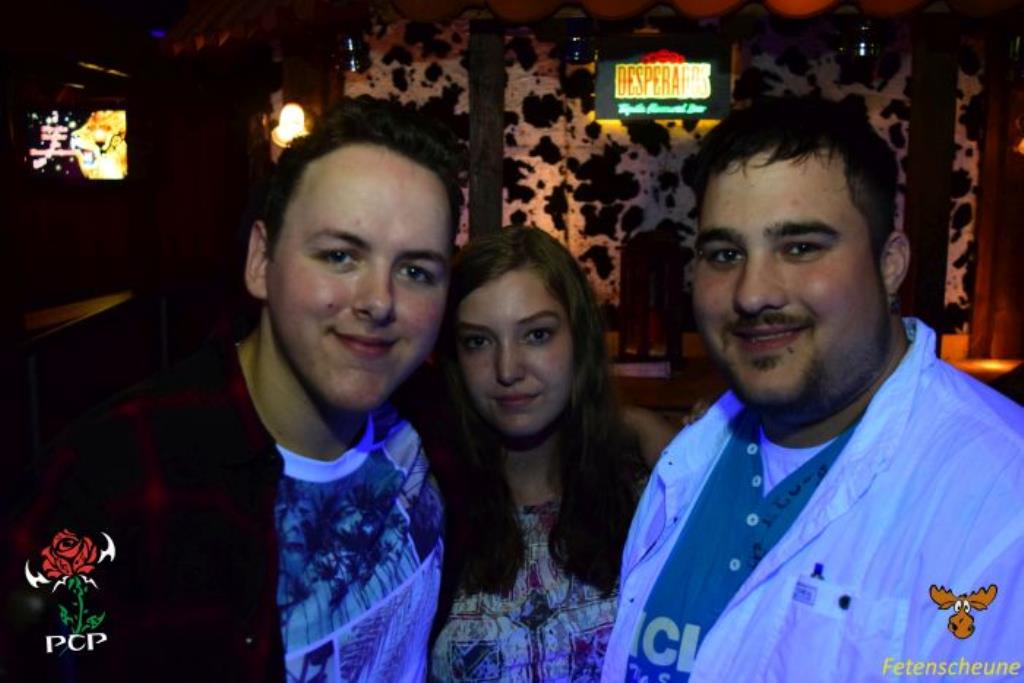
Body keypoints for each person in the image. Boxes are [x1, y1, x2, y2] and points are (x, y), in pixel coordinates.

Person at [4, 96, 463, 681]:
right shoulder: (111, 484)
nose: (379, 301)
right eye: (340, 255)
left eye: (416, 271)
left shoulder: (438, 422)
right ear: (260, 260)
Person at [602, 96, 1024, 682]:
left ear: (890, 264)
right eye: (725, 254)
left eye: (800, 247)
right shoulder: (691, 459)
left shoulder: (1001, 501)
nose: (753, 293)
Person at [429, 226, 675, 681]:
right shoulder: (424, 507)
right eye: (478, 341)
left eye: (537, 335)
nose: (507, 369)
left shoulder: (651, 491)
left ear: (579, 338)